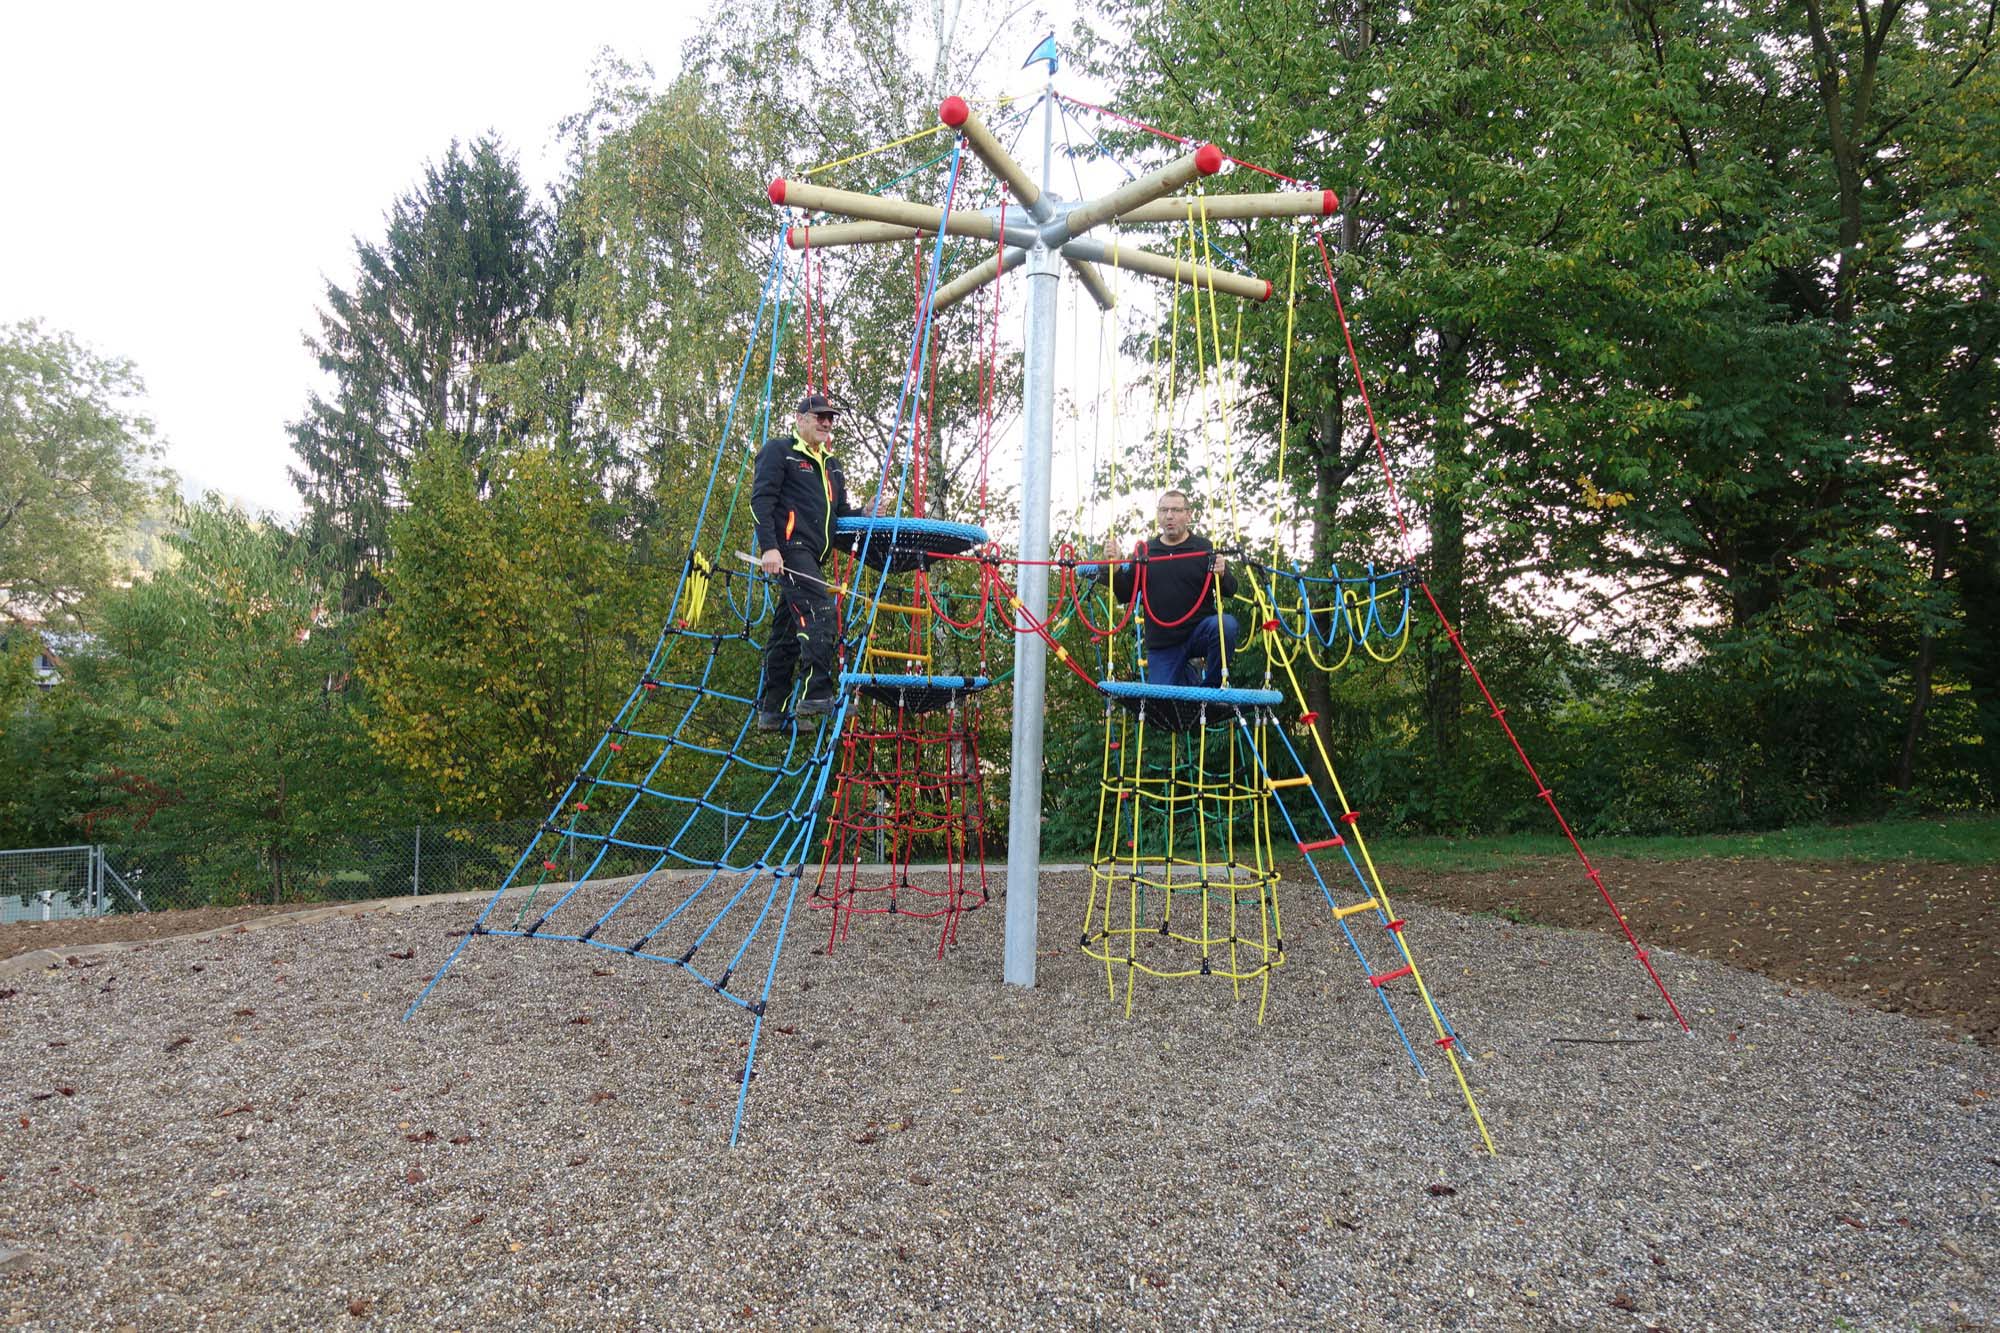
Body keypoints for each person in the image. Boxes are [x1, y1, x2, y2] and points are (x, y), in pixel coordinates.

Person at [750, 393, 865, 730]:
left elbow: (840, 516)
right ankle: (816, 693)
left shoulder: (832, 466)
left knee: (787, 631)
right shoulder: (780, 451)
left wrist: (865, 513)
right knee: (820, 611)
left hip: (813, 555)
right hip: (790, 548)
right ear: (800, 419)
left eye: (830, 418)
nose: (826, 423)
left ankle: (772, 710)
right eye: (819, 417)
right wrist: (769, 548)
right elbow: (761, 501)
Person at [1090, 490, 1244, 688]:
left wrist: (1222, 574)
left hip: (1199, 632)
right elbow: (1127, 593)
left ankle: (1211, 688)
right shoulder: (1146, 551)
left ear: (1188, 515)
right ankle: (1188, 676)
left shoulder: (1203, 547)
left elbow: (1230, 589)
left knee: (1226, 625)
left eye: (1176, 510)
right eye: (1164, 510)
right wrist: (1117, 568)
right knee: (1161, 701)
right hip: (1164, 643)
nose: (1169, 516)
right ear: (1158, 515)